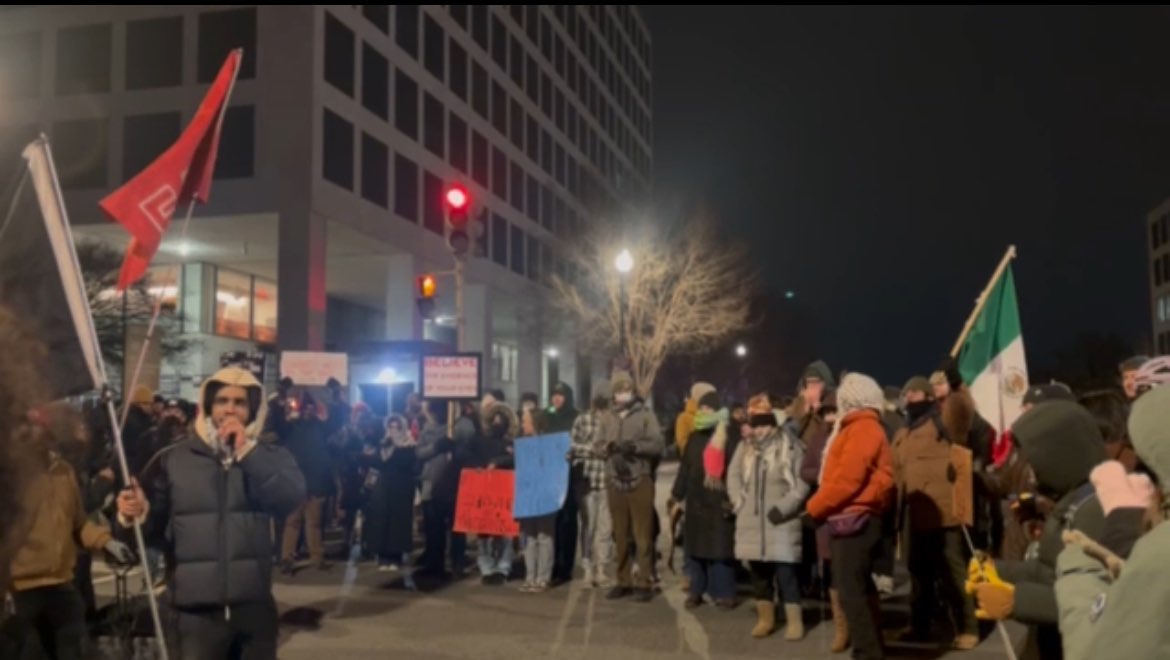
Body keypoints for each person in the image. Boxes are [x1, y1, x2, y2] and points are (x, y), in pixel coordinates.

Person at [116, 367, 306, 660]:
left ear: (253, 409)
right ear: (208, 406)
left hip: (253, 609)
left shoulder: (270, 455)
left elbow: (289, 498)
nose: (230, 409)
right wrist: (136, 514)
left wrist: (247, 452)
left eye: (240, 402)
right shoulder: (174, 458)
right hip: (194, 614)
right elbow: (148, 536)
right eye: (222, 400)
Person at [967, 400, 1107, 660]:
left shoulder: (1095, 510)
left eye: (1034, 459)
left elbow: (1096, 599)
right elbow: (1050, 570)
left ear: (1060, 452)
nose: (1030, 471)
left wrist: (1016, 600)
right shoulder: (1070, 500)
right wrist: (998, 570)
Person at [806, 373, 895, 660]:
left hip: (856, 518)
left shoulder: (862, 428)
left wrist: (814, 508)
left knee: (850, 592)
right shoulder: (860, 427)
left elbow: (846, 480)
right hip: (856, 516)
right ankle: (872, 648)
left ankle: (867, 652)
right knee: (859, 588)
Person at [891, 376, 978, 650]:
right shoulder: (901, 432)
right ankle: (920, 625)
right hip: (912, 513)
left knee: (953, 573)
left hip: (944, 512)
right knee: (918, 574)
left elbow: (964, 439)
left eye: (916, 391)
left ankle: (968, 627)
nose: (911, 397)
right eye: (908, 392)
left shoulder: (942, 422)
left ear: (928, 396)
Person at [728, 394, 807, 640]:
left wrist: (783, 508)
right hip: (751, 522)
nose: (760, 430)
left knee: (786, 575)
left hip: (781, 522)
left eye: (765, 424)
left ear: (773, 424)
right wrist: (738, 501)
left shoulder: (790, 446)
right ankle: (766, 619)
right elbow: (733, 476)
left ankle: (794, 621)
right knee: (759, 576)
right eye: (757, 424)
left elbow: (802, 483)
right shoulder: (745, 448)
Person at [671, 390, 740, 612]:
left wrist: (733, 498)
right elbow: (685, 469)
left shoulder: (728, 434)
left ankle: (724, 593)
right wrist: (676, 495)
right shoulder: (694, 437)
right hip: (696, 500)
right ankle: (696, 591)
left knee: (721, 551)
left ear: (718, 410)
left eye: (709, 408)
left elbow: (736, 469)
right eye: (701, 408)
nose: (704, 412)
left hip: (720, 499)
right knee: (696, 550)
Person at [601, 372, 663, 603]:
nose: (623, 394)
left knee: (642, 534)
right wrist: (606, 449)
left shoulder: (646, 415)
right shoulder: (607, 417)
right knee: (619, 534)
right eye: (619, 390)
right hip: (614, 480)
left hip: (640, 479)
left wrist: (635, 447)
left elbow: (658, 444)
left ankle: (644, 581)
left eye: (627, 390)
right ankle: (623, 580)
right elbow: (597, 444)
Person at [569, 383, 616, 588]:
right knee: (589, 525)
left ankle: (602, 568)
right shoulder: (583, 419)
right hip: (587, 480)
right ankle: (588, 567)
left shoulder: (614, 421)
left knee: (605, 527)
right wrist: (591, 449)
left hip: (607, 480)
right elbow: (571, 445)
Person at [362, 415, 418, 575]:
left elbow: (408, 464)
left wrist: (396, 448)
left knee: (397, 523)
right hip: (383, 488)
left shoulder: (409, 445)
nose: (393, 430)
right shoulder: (382, 445)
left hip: (401, 489)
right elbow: (377, 464)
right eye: (391, 426)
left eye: (396, 427)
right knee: (381, 521)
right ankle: (382, 556)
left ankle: (396, 556)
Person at [544, 382, 580, 585]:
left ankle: (565, 567)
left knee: (567, 521)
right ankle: (553, 564)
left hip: (569, 476)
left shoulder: (575, 417)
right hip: (550, 475)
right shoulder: (548, 417)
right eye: (554, 395)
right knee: (554, 522)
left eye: (560, 395)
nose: (556, 399)